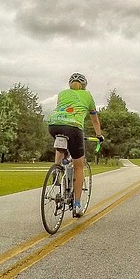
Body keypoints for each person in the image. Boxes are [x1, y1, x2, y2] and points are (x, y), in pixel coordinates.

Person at [46, 72, 104, 217]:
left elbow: (64, 112)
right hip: (73, 128)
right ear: (84, 86)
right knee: (79, 166)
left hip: (53, 126)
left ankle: (57, 170)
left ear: (69, 85)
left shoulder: (62, 94)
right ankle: (77, 206)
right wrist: (99, 136)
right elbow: (95, 120)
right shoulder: (88, 96)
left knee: (61, 142)